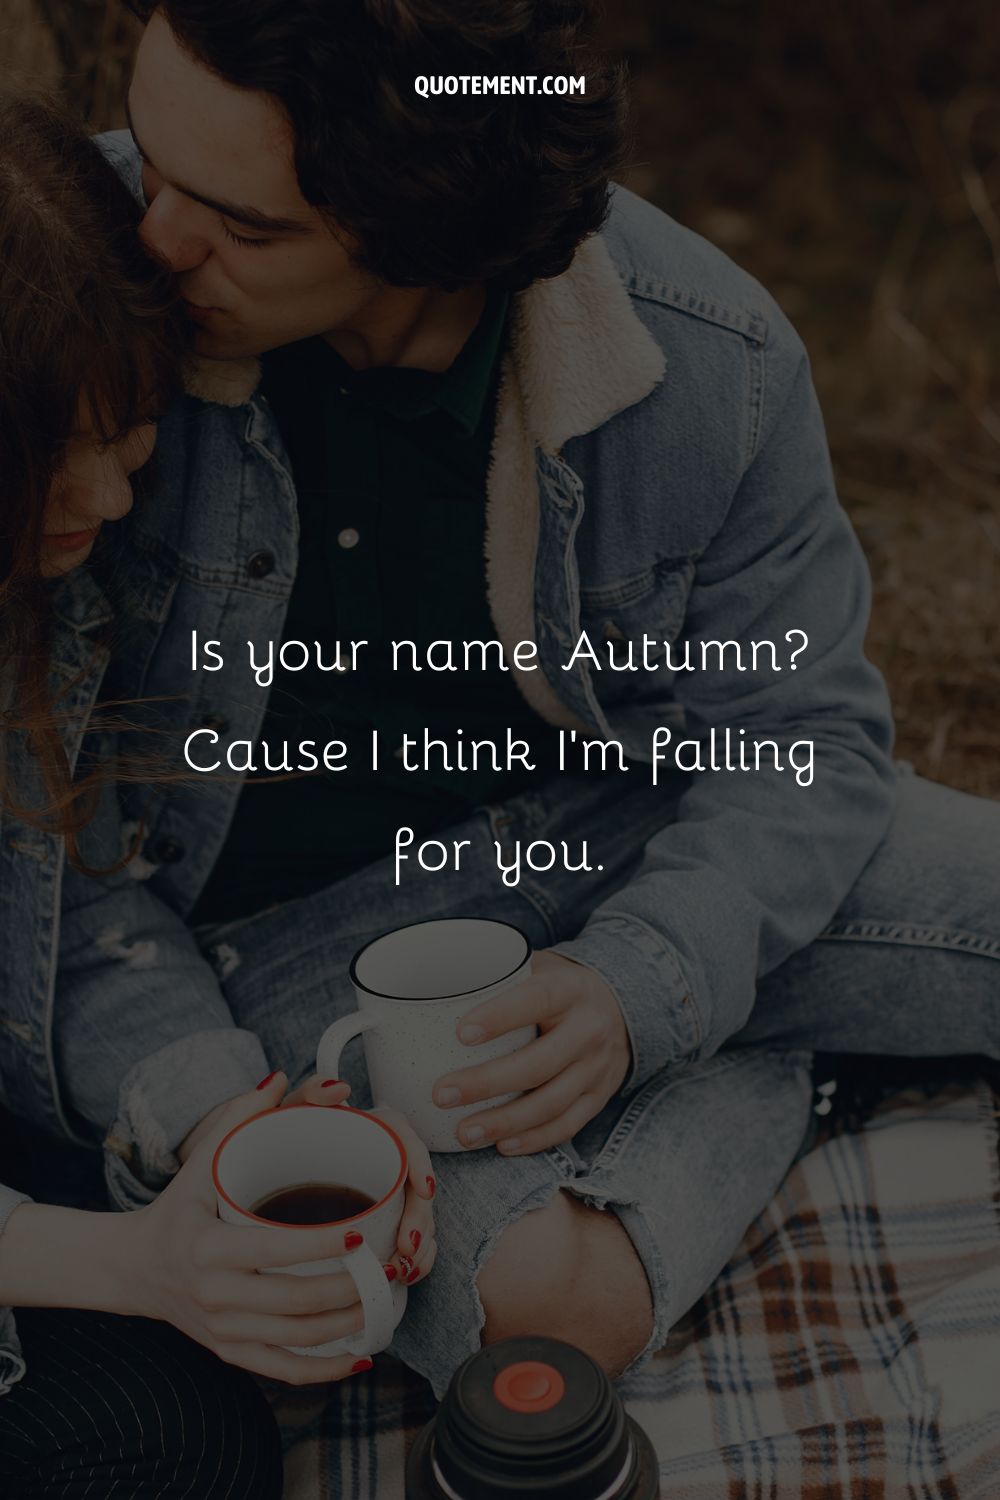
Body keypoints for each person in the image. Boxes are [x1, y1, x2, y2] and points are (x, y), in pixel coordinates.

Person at [2, 0, 997, 1410]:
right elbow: (60, 863)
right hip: (302, 952)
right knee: (546, 1313)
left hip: (637, 826)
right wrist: (224, 1111)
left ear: (428, 233)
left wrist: (641, 982)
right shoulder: (66, 303)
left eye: (246, 223)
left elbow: (808, 738)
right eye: (151, 157)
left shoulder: (708, 352)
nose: (154, 237)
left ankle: (719, 1016)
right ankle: (785, 1047)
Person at [0, 92, 434, 1495]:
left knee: (183, 1437)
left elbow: (82, 908)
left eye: (129, 439)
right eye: (59, 452)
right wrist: (131, 1262)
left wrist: (217, 1124)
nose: (115, 501)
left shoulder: (41, 609)